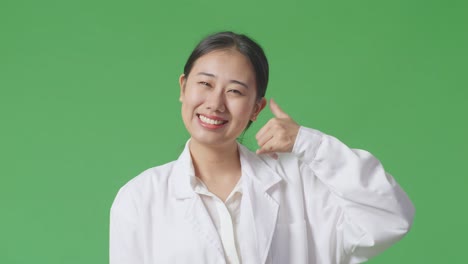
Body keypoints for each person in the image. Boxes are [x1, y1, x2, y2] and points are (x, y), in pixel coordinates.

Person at [110, 31, 414, 264]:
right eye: (205, 84)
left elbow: (390, 215)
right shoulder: (139, 199)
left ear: (256, 109)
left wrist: (309, 144)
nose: (215, 103)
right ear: (183, 87)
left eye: (235, 91)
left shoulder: (299, 181)